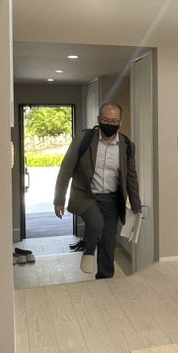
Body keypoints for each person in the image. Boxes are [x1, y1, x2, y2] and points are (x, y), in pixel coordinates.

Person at [54, 102, 142, 279]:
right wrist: (59, 200)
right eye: (106, 120)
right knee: (96, 223)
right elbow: (66, 169)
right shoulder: (84, 139)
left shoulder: (127, 146)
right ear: (98, 119)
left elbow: (131, 177)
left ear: (120, 122)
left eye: (114, 121)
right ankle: (88, 250)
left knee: (108, 242)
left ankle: (105, 279)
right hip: (86, 195)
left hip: (111, 199)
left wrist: (136, 204)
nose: (110, 124)